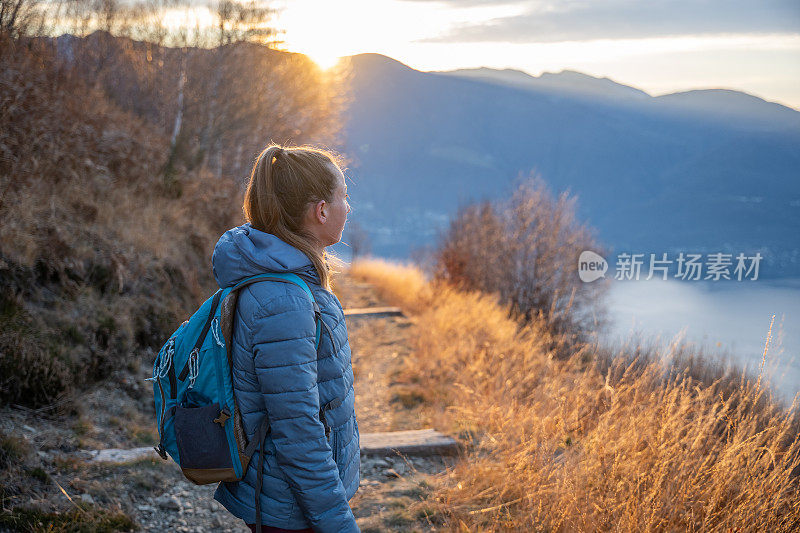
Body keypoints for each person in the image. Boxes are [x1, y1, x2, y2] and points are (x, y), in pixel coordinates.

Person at [211, 144, 360, 532]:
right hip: (292, 508)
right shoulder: (285, 301)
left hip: (290, 498)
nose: (350, 207)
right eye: (344, 196)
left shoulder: (287, 281)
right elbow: (298, 431)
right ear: (321, 210)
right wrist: (338, 523)